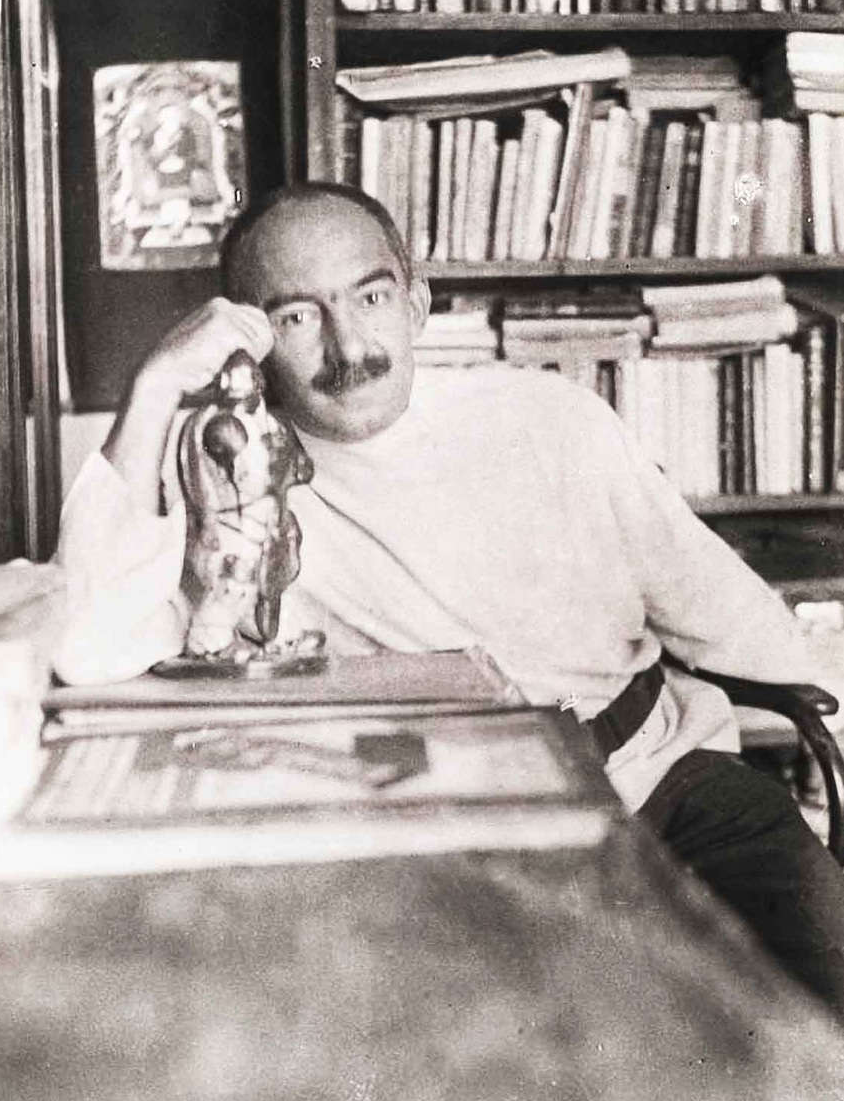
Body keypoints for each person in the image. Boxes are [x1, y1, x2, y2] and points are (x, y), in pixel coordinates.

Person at [54, 181, 844, 1016]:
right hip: (443, 826)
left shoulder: (552, 419)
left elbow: (719, 606)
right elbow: (87, 645)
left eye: (370, 297)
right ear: (248, 340)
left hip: (664, 785)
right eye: (297, 316)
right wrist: (155, 384)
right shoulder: (233, 467)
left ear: (417, 304)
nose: (348, 347)